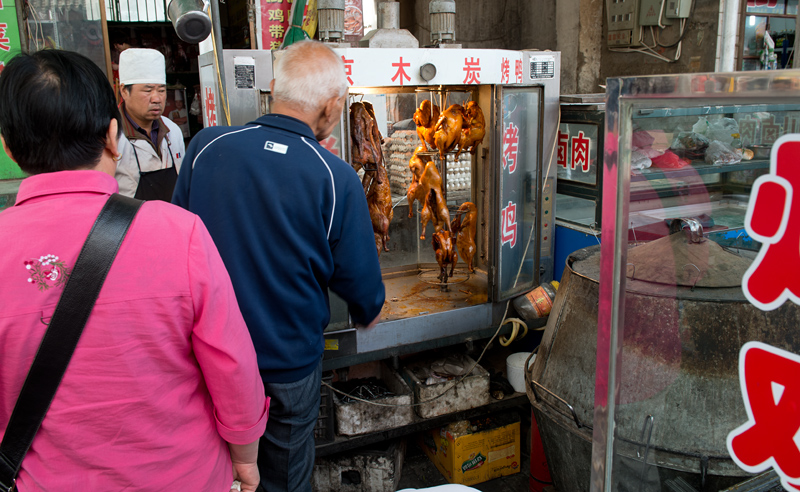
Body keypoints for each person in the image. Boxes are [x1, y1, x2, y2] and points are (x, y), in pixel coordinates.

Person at [0, 49, 268, 491]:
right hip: (184, 478)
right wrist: (245, 458)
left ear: (8, 148)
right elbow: (233, 365)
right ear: (112, 135)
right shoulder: (180, 234)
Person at [172, 40, 385, 491]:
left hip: (205, 360)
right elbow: (365, 296)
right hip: (285, 367)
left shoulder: (206, 147)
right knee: (283, 480)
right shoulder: (334, 177)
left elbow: (179, 242)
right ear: (332, 107)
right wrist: (368, 308)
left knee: (214, 472)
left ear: (272, 89)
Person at [115, 48, 185, 200]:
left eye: (161, 90)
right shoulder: (111, 135)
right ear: (124, 91)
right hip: (131, 221)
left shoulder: (172, 130)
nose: (157, 99)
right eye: (148, 90)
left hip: (173, 219)